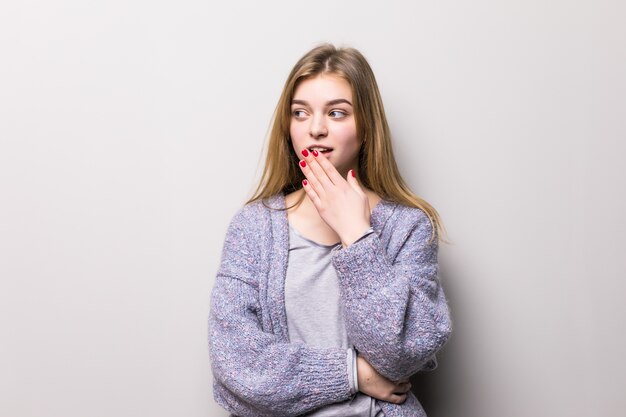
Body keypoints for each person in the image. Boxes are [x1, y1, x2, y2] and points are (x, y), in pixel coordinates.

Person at [208, 43, 453, 417]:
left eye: (337, 113)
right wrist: (353, 374)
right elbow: (236, 363)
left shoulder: (408, 226)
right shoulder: (253, 226)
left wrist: (356, 235)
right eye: (300, 114)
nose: (316, 129)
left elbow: (403, 352)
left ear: (367, 127)